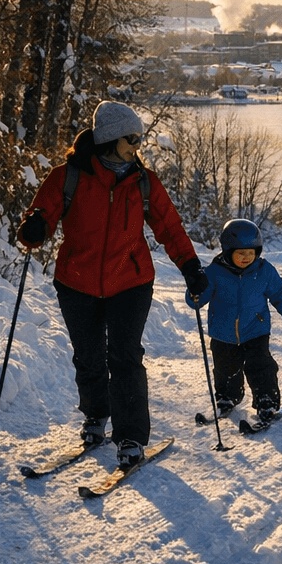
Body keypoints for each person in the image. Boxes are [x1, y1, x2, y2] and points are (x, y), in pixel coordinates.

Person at [18, 101, 207, 469]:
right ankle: (95, 415)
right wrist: (34, 227)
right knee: (88, 355)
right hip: (76, 281)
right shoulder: (67, 177)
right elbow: (40, 217)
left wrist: (190, 265)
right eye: (131, 138)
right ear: (110, 138)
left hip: (130, 282)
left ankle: (131, 436)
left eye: (139, 138)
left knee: (125, 356)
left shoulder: (143, 182)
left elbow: (169, 227)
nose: (138, 145)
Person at [185, 219, 282, 423]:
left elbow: (280, 293)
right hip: (223, 333)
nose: (247, 257)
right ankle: (226, 398)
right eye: (241, 253)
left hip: (256, 330)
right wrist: (195, 291)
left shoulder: (264, 270)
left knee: (261, 366)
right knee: (225, 369)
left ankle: (266, 400)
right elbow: (197, 300)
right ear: (228, 251)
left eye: (251, 252)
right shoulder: (213, 272)